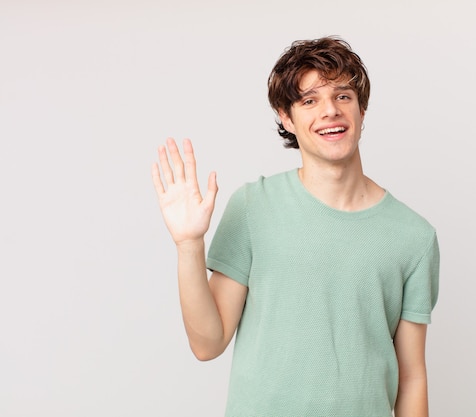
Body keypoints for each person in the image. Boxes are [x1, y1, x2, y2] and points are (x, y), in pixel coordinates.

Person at [152, 37, 439, 417]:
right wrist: (189, 244)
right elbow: (208, 343)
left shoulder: (414, 237)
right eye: (309, 100)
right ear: (287, 117)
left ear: (362, 108)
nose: (330, 111)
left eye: (342, 96)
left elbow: (413, 377)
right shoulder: (253, 207)